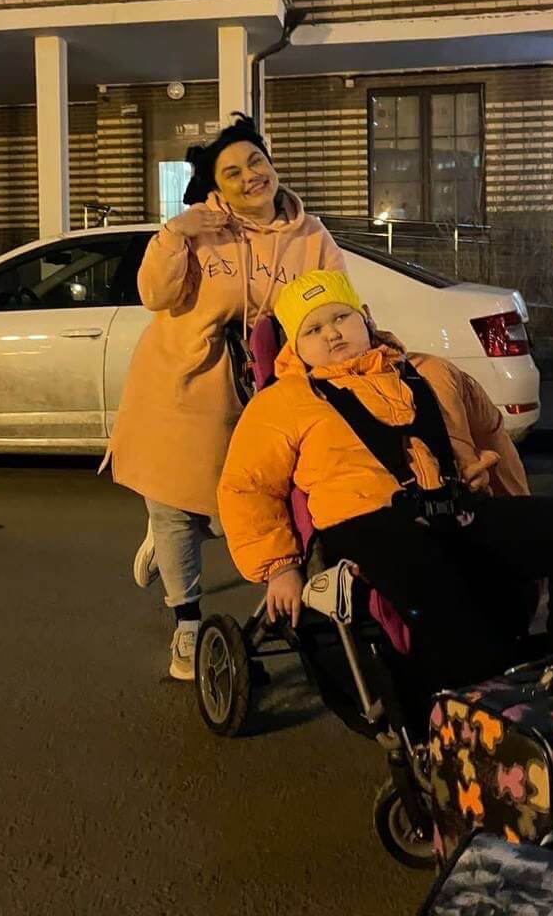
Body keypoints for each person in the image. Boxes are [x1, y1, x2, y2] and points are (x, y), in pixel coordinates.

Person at [217, 269, 553, 723]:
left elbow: (493, 438)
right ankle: (476, 703)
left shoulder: (435, 371)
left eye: (340, 317)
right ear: (295, 347)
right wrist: (280, 568)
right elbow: (246, 486)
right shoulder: (282, 403)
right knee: (430, 564)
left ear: (365, 317)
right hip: (368, 524)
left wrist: (513, 510)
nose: (331, 334)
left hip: (458, 506)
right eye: (313, 329)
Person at [107, 116, 345, 681]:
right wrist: (175, 233)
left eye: (255, 162)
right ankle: (187, 626)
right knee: (174, 506)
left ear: (272, 163)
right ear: (217, 185)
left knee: (244, 505)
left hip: (268, 387)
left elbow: (337, 304)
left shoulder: (312, 237)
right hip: (184, 382)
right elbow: (154, 295)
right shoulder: (201, 229)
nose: (249, 177)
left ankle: (187, 536)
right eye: (232, 172)